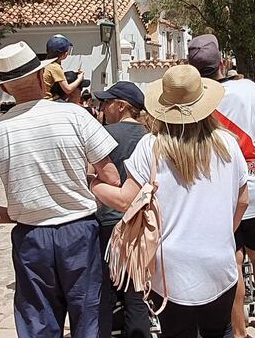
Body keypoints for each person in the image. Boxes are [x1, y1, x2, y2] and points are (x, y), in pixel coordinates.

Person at [0, 41, 120, 337]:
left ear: (4, 89)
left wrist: (20, 213)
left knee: (37, 320)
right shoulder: (75, 116)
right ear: (41, 77)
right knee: (89, 316)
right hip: (80, 232)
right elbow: (111, 178)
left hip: (31, 236)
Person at [92, 65, 250, 338]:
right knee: (219, 330)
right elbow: (243, 201)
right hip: (219, 263)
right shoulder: (228, 144)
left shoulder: (151, 146)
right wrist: (222, 233)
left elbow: (126, 201)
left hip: (169, 270)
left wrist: (95, 184)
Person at [188, 35, 255, 338]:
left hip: (217, 195)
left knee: (233, 261)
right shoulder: (247, 89)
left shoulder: (193, 100)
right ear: (222, 63)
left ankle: (239, 333)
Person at [92, 81, 152, 338]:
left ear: (121, 106)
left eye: (106, 102)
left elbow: (91, 174)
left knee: (105, 290)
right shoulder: (151, 137)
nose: (102, 108)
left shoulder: (104, 135)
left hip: (109, 220)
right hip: (143, 221)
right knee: (136, 290)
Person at [41, 34, 84, 100]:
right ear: (65, 54)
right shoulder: (55, 67)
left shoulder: (44, 64)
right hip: (46, 100)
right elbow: (68, 89)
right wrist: (80, 78)